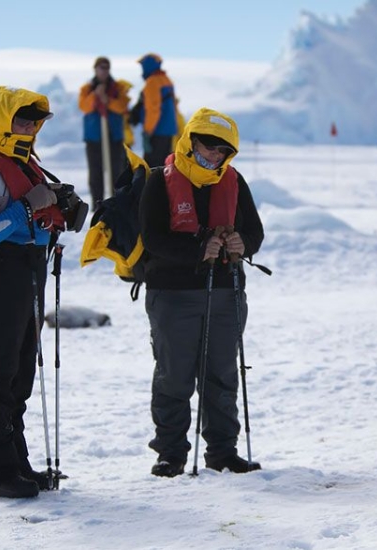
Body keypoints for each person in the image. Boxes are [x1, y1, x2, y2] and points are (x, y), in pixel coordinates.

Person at [139, 107, 265, 477]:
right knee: (174, 376)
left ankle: (223, 451)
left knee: (222, 374)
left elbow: (254, 232)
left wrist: (244, 243)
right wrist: (198, 248)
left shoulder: (235, 182)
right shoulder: (157, 180)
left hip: (226, 290)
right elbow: (153, 239)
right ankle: (170, 453)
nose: (216, 155)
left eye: (224, 151)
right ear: (191, 140)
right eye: (210, 146)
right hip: (172, 294)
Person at [0, 86, 71, 498]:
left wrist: (60, 212)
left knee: (21, 374)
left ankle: (18, 465)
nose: (29, 128)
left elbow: (34, 219)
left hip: (28, 273)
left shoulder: (28, 167)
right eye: (21, 120)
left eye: (34, 121)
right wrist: (26, 209)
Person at [79, 56, 130, 204]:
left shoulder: (118, 87)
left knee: (117, 171)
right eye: (101, 67)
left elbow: (122, 107)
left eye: (106, 67)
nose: (104, 71)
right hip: (94, 136)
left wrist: (107, 100)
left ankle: (117, 202)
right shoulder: (87, 88)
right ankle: (98, 203)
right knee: (96, 173)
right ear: (95, 69)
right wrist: (95, 95)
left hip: (114, 136)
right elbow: (84, 106)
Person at [129, 53, 178, 168]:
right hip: (168, 131)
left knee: (151, 169)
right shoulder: (166, 80)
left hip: (156, 132)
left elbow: (153, 109)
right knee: (165, 167)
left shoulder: (152, 82)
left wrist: (148, 131)